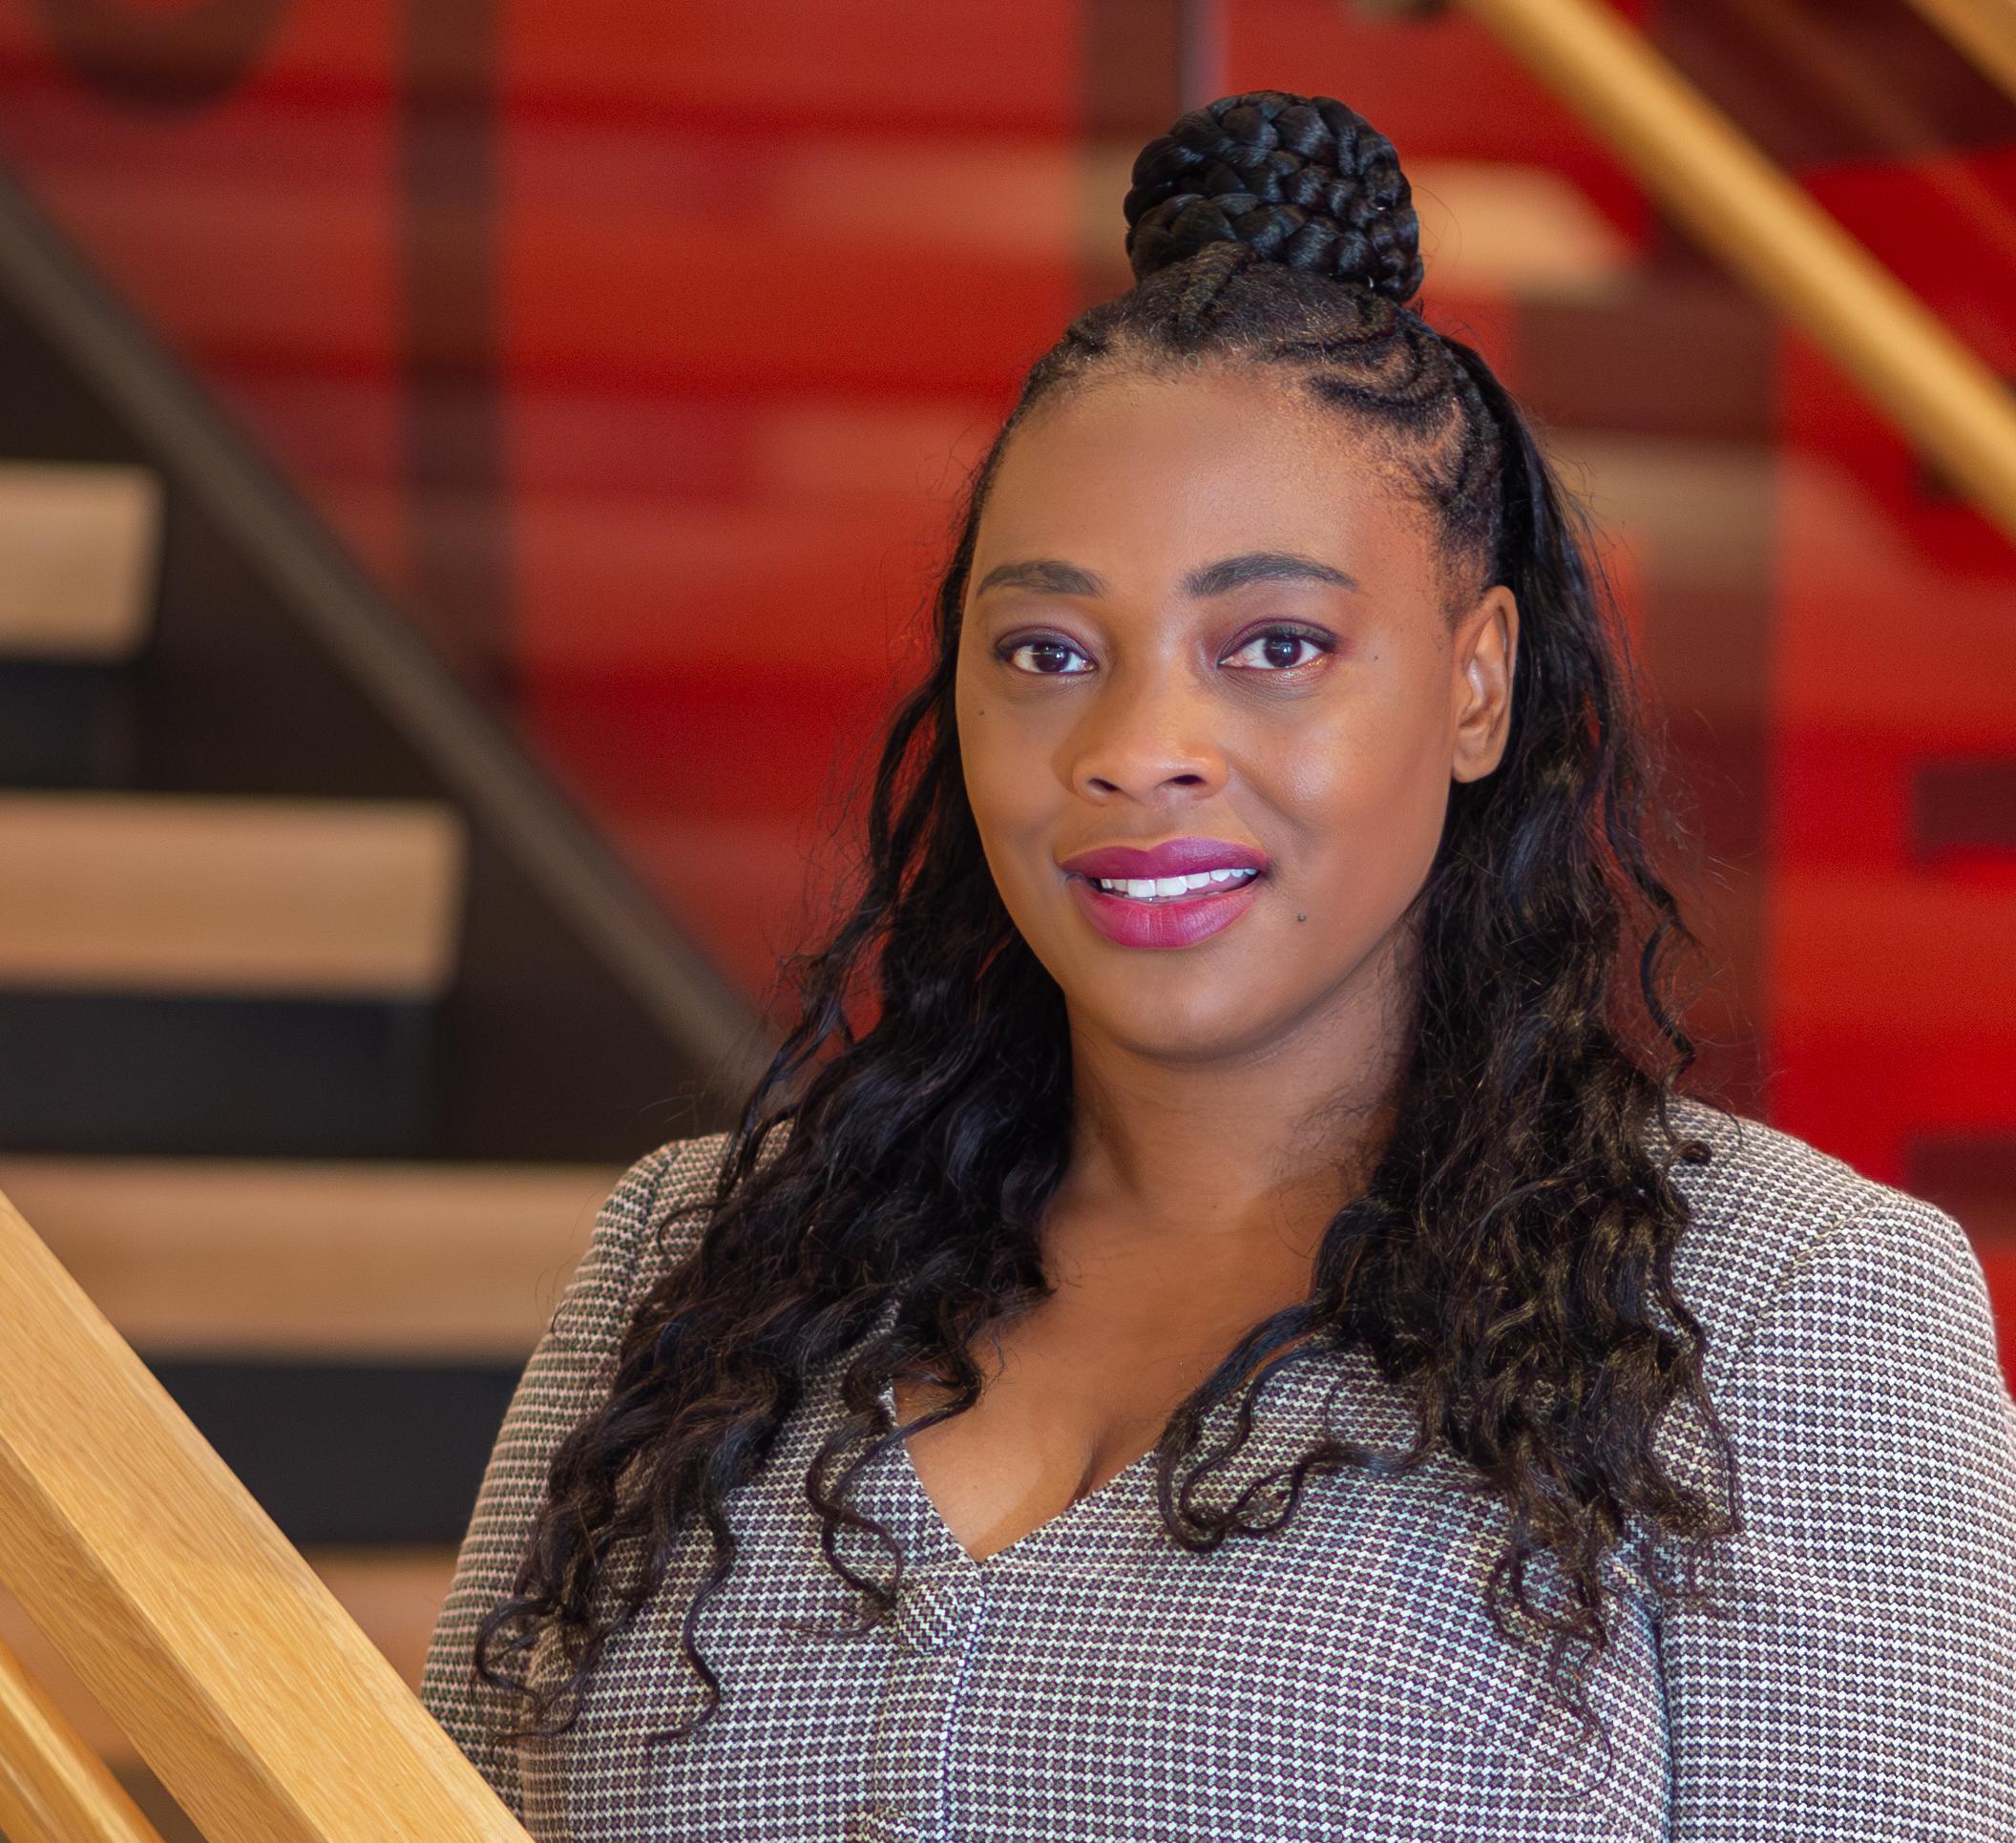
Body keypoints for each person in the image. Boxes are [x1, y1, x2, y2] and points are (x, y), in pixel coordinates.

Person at [420, 90, 2016, 1840]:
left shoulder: (1788, 1314)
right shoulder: (703, 1263)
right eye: (1045, 647)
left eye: (1273, 644)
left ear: (1477, 681)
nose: (1136, 745)